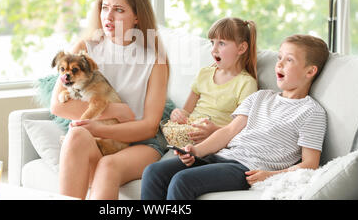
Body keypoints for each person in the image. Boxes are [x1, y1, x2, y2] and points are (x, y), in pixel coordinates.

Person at [141, 34, 329, 200]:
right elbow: (229, 131)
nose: (279, 64)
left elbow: (310, 164)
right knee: (153, 172)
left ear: (310, 71)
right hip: (221, 157)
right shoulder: (260, 96)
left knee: (182, 181)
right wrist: (195, 151)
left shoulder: (311, 112)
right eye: (279, 57)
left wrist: (271, 174)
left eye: (289, 60)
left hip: (245, 169)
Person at [50, 0, 169, 199]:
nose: (108, 16)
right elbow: (57, 104)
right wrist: (115, 112)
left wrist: (99, 128)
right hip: (100, 137)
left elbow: (149, 127)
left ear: (137, 17)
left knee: (108, 166)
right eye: (105, 8)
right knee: (75, 135)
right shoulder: (85, 48)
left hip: (141, 143)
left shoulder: (156, 61)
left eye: (118, 10)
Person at [169, 17, 258, 143]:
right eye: (212, 43)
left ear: (241, 48)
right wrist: (177, 114)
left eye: (221, 43)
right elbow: (186, 111)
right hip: (186, 138)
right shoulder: (204, 74)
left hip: (215, 144)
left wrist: (214, 130)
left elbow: (241, 128)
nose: (213, 50)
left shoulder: (246, 83)